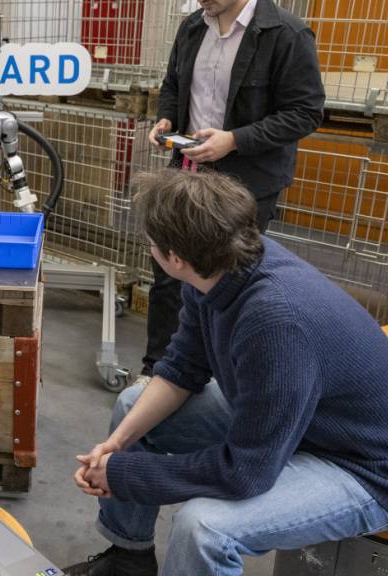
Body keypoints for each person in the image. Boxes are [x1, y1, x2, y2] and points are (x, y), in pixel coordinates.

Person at [64, 169, 388, 576]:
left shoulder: (274, 323)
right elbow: (182, 368)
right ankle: (129, 559)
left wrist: (124, 473)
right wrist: (115, 446)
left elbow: (245, 472)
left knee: (204, 527)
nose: (149, 249)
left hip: (360, 464)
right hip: (297, 422)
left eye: (150, 244)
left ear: (175, 258)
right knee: (133, 405)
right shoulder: (217, 268)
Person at [139, 0, 325, 385]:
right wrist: (168, 117)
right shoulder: (193, 27)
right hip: (188, 175)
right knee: (169, 273)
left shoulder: (286, 35)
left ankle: (222, 380)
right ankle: (156, 370)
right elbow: (173, 84)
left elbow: (305, 112)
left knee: (229, 283)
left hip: (244, 184)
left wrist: (235, 141)